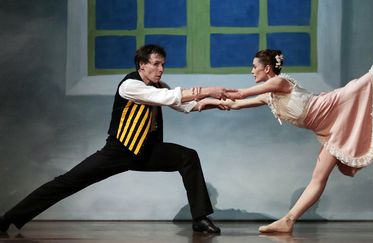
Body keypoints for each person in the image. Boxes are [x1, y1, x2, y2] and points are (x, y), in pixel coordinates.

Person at [200, 24, 373, 233]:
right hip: (329, 129)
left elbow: (239, 94)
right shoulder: (270, 96)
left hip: (336, 105)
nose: (251, 72)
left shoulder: (278, 82)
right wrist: (204, 104)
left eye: (254, 67)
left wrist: (204, 92)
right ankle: (288, 220)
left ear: (268, 68)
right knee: (319, 176)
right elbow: (236, 104)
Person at [0, 44, 230, 234]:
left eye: (163, 64)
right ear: (142, 65)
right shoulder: (130, 85)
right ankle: (8, 219)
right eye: (156, 64)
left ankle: (200, 219)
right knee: (66, 182)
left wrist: (219, 104)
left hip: (147, 151)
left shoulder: (160, 86)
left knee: (187, 157)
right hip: (119, 151)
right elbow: (168, 97)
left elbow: (186, 105)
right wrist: (209, 90)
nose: (161, 69)